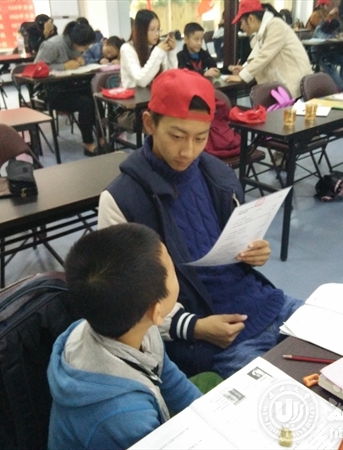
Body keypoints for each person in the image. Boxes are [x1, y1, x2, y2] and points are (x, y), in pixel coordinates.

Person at [97, 69, 303, 379]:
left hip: (266, 302)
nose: (188, 151)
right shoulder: (121, 200)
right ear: (150, 123)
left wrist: (253, 253)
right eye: (177, 136)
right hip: (214, 336)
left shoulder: (217, 174)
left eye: (200, 138)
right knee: (285, 396)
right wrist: (194, 327)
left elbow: (233, 243)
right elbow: (126, 299)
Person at [47, 224, 201, 450]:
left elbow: (168, 377)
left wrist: (208, 412)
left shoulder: (126, 324)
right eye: (172, 268)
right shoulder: (123, 416)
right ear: (156, 311)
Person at [34, 20, 103, 156]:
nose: (86, 49)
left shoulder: (76, 45)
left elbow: (76, 64)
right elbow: (37, 68)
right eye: (85, 46)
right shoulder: (53, 45)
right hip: (51, 91)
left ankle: (102, 137)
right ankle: (88, 143)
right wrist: (63, 66)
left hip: (71, 86)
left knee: (97, 97)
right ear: (76, 42)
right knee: (85, 103)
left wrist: (82, 62)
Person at [225, 0, 312, 98]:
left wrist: (242, 76)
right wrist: (244, 69)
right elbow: (258, 57)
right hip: (284, 88)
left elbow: (264, 55)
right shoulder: (262, 32)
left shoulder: (275, 25)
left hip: (295, 87)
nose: (241, 27)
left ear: (250, 19)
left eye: (241, 22)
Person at [120, 9, 177, 88]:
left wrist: (171, 52)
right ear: (141, 31)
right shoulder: (127, 49)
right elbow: (141, 81)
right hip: (136, 95)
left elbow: (170, 77)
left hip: (155, 93)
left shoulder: (157, 48)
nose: (157, 34)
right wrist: (158, 52)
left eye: (158, 29)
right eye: (152, 30)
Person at [313, 19, 343, 91]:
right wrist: (334, 36)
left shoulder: (332, 29)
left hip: (329, 52)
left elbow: (335, 35)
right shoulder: (319, 29)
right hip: (318, 53)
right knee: (331, 69)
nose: (334, 31)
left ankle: (339, 84)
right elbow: (323, 37)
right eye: (334, 30)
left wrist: (340, 35)